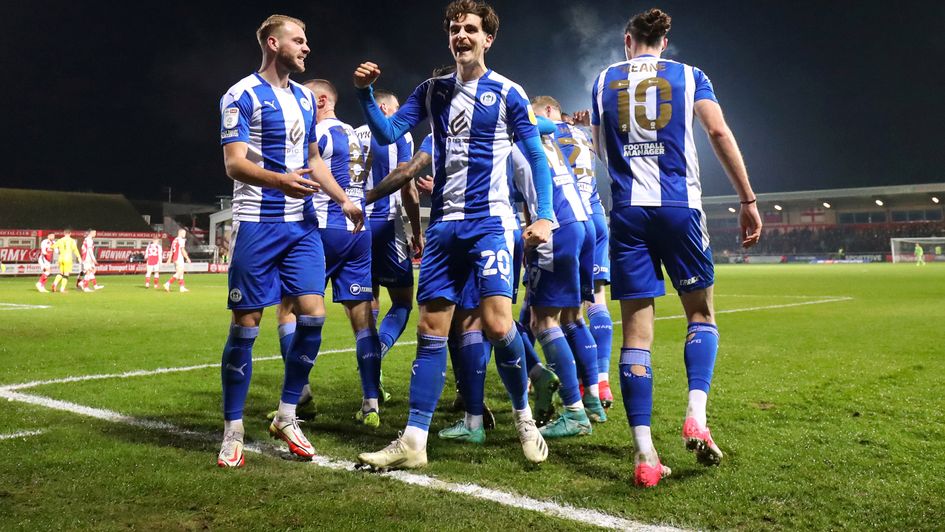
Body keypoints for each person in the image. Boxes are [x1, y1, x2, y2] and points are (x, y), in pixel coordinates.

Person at [352, 0, 554, 470]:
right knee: (430, 330)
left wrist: (543, 215)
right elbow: (387, 134)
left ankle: (524, 417)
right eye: (454, 29)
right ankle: (414, 441)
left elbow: (538, 158)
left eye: (470, 29)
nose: (461, 35)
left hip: (490, 222)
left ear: (488, 38)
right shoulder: (431, 91)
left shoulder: (508, 93)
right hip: (444, 226)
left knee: (500, 324)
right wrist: (365, 93)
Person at [591, 8, 762, 487]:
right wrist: (747, 199)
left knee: (636, 336)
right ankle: (695, 417)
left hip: (627, 213)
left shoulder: (603, 78)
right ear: (665, 41)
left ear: (628, 41)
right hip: (679, 208)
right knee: (701, 315)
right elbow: (718, 131)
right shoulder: (691, 76)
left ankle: (646, 455)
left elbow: (602, 148)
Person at [217, 14, 363, 468]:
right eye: (298, 41)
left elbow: (314, 159)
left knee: (314, 316)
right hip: (257, 224)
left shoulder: (304, 98)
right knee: (247, 324)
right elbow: (234, 164)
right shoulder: (240, 95)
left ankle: (286, 414)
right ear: (272, 41)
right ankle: (233, 429)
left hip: (302, 226)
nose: (306, 48)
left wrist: (343, 199)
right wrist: (279, 181)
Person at [556, 105, 616, 410]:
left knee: (563, 312)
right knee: (597, 301)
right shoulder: (583, 137)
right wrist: (586, 126)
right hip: (596, 217)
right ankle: (601, 380)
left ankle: (582, 384)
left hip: (569, 219)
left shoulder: (546, 133)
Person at [357, 90, 422, 365]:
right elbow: (408, 187)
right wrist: (417, 232)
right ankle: (377, 354)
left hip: (354, 224)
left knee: (368, 298)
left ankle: (370, 378)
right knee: (403, 302)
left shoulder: (351, 134)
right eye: (397, 108)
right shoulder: (399, 134)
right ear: (383, 108)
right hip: (385, 222)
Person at [52, 229, 81, 293]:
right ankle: (62, 289)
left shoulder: (60, 240)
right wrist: (79, 257)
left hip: (60, 258)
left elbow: (53, 247)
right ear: (70, 233)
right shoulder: (72, 241)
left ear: (64, 233)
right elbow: (75, 249)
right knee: (66, 274)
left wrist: (56, 250)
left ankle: (55, 283)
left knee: (61, 273)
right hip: (68, 258)